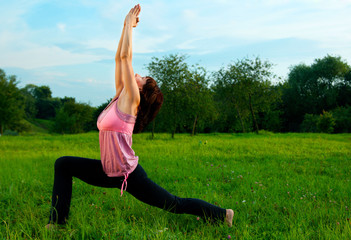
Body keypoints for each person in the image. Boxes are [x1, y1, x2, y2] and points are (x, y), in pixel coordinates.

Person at [46, 4, 234, 230]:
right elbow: (119, 59)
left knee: (173, 203)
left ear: (141, 92)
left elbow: (126, 58)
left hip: (127, 173)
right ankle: (57, 224)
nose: (137, 74)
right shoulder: (119, 96)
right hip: (108, 171)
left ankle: (222, 214)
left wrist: (128, 25)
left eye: (141, 77)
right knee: (63, 164)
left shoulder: (131, 102)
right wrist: (124, 27)